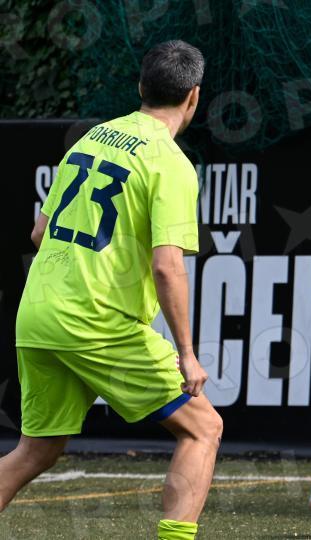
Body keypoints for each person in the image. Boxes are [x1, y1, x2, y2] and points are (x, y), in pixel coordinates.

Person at [0, 40, 221, 540]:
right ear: (193, 96)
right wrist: (187, 355)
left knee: (37, 449)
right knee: (203, 428)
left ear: (141, 87)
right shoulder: (171, 163)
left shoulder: (91, 139)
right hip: (96, 319)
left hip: (38, 312)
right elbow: (167, 267)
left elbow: (39, 233)